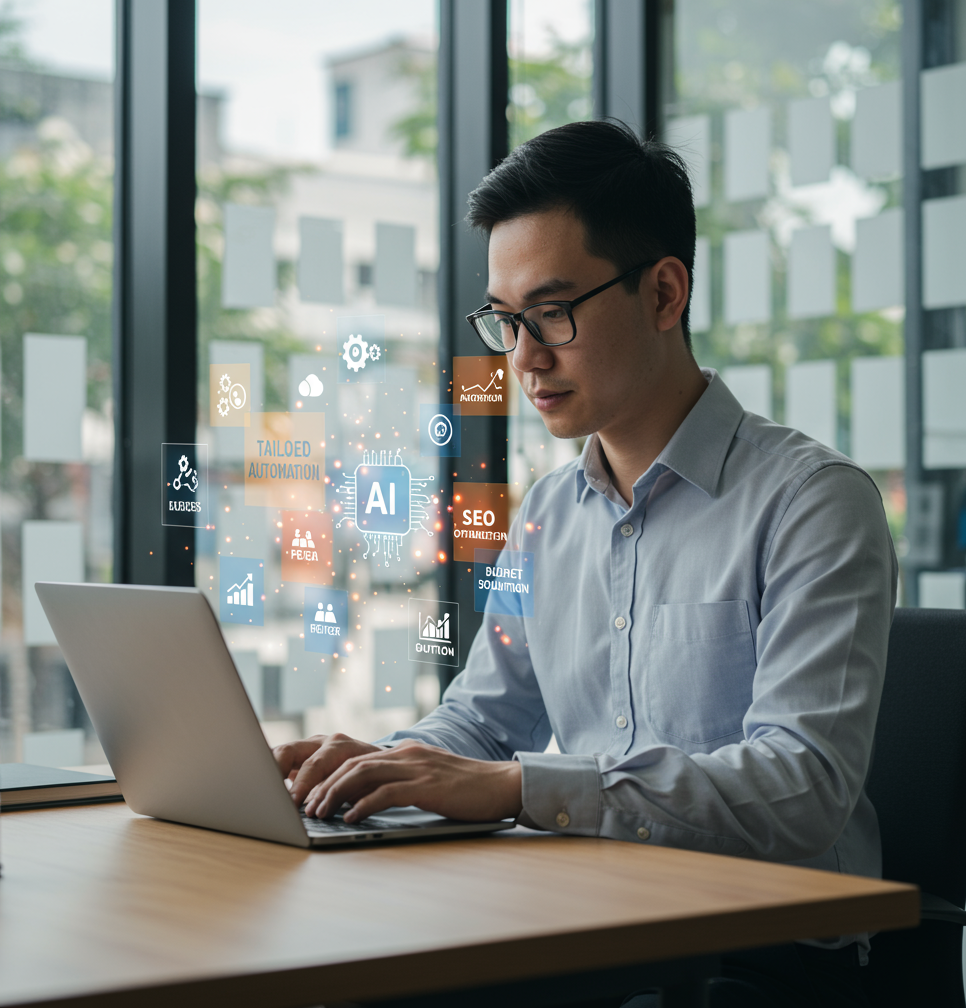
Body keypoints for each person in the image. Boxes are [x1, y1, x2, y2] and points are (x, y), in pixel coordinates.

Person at [273, 120, 897, 1007]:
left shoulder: (813, 503)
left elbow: (801, 789)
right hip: (592, 914)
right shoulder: (549, 516)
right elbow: (484, 726)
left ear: (665, 293)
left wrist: (520, 788)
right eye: (505, 321)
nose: (524, 358)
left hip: (767, 951)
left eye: (553, 313)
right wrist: (371, 770)